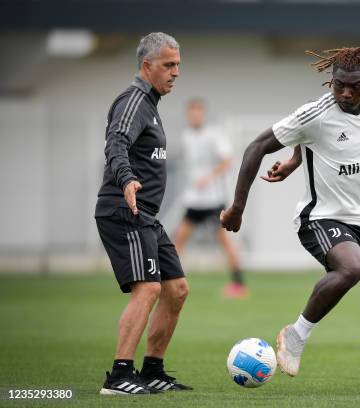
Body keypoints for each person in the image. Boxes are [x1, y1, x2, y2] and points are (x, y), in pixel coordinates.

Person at [221, 47, 360, 391]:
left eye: (354, 86)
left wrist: (297, 159)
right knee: (352, 268)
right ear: (331, 82)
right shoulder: (315, 113)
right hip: (321, 218)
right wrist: (238, 207)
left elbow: (314, 143)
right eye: (338, 85)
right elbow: (256, 146)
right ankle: (296, 336)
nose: (345, 93)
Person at [95, 32, 192, 395]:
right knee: (148, 288)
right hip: (125, 209)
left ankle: (152, 371)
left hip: (147, 215)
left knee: (176, 289)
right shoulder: (133, 101)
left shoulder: (151, 104)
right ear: (146, 65)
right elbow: (116, 142)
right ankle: (119, 376)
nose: (176, 72)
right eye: (169, 65)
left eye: (178, 65)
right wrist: (127, 179)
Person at [173, 99, 247, 298]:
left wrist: (209, 177)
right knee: (179, 238)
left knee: (224, 240)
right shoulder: (185, 136)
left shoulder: (214, 134)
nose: (195, 116)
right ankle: (170, 281)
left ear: (203, 114)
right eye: (191, 113)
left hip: (213, 198)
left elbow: (227, 161)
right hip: (193, 199)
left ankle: (239, 284)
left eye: (198, 112)